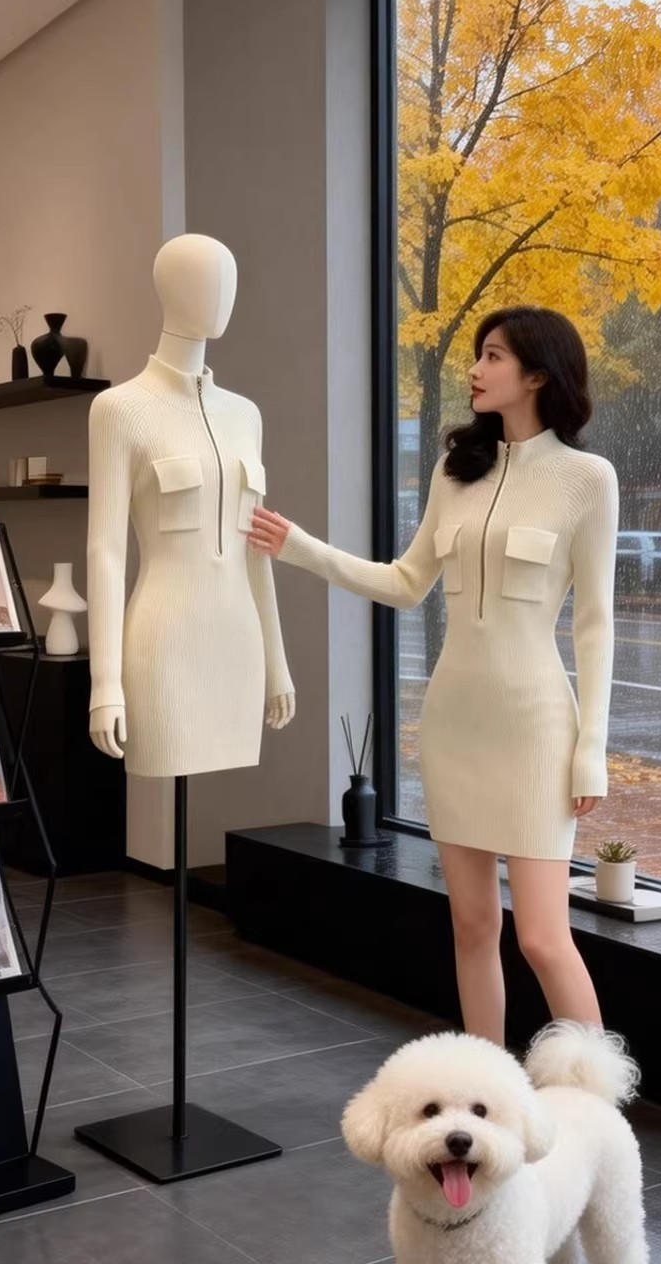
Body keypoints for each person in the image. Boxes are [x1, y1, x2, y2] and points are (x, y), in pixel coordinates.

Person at [249, 305, 618, 1045]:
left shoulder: (588, 479)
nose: (475, 370)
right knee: (473, 925)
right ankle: (485, 1088)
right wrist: (300, 548)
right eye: (479, 355)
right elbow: (406, 582)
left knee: (543, 938)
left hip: (535, 727)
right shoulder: (457, 471)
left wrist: (592, 749)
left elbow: (596, 623)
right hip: (454, 724)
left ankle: (596, 1101)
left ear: (538, 374)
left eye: (493, 356)